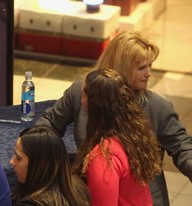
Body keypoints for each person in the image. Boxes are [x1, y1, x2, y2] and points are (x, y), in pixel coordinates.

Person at [35, 31, 192, 205]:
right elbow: (49, 122)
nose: (149, 74)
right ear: (121, 68)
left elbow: (182, 147)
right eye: (141, 68)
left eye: (150, 66)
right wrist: (42, 153)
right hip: (91, 193)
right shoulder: (83, 91)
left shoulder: (157, 105)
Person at [72, 69, 162, 205]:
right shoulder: (132, 136)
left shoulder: (103, 156)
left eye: (84, 92)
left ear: (95, 102)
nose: (80, 97)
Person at [10, 125, 90, 206]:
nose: (12, 162)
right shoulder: (78, 190)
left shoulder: (29, 204)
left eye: (18, 158)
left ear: (39, 166)